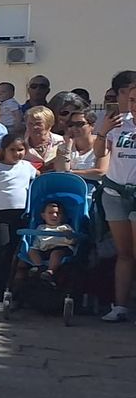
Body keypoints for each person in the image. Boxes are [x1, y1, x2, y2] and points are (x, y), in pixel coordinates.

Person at [0, 133, 36, 309]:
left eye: (21, 150)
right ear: (4, 150)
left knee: (17, 256)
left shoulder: (27, 167)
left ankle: (12, 294)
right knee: (0, 255)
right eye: (13, 150)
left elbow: (35, 181)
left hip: (21, 216)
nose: (17, 153)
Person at [95, 72, 136, 321]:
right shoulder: (120, 123)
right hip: (114, 191)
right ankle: (119, 306)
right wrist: (103, 131)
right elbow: (100, 153)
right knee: (124, 252)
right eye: (131, 100)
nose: (133, 105)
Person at [22, 202, 76, 276]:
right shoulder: (41, 228)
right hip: (44, 250)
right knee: (32, 251)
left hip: (61, 249)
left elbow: (73, 241)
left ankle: (50, 271)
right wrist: (36, 248)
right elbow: (37, 242)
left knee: (56, 253)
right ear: (43, 215)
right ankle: (39, 266)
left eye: (58, 213)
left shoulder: (65, 227)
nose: (54, 215)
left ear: (63, 216)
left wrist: (69, 236)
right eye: (50, 213)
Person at [52, 109, 99, 179]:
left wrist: (71, 172)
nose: (74, 128)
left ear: (92, 126)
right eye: (71, 124)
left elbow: (101, 172)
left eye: (79, 124)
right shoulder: (64, 147)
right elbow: (61, 171)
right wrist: (68, 146)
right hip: (70, 185)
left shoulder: (101, 144)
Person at [21, 106, 62, 170]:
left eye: (38, 123)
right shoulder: (19, 146)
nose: (34, 127)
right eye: (30, 123)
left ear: (49, 124)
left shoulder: (61, 142)